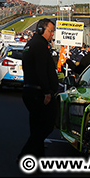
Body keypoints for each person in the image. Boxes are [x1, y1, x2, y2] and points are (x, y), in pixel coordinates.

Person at [18, 19, 57, 161]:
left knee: (36, 127)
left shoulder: (30, 44)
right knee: (46, 125)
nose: (52, 34)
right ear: (41, 30)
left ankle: (37, 158)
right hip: (38, 92)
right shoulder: (40, 45)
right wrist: (47, 91)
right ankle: (25, 154)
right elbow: (41, 70)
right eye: (50, 31)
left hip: (30, 90)